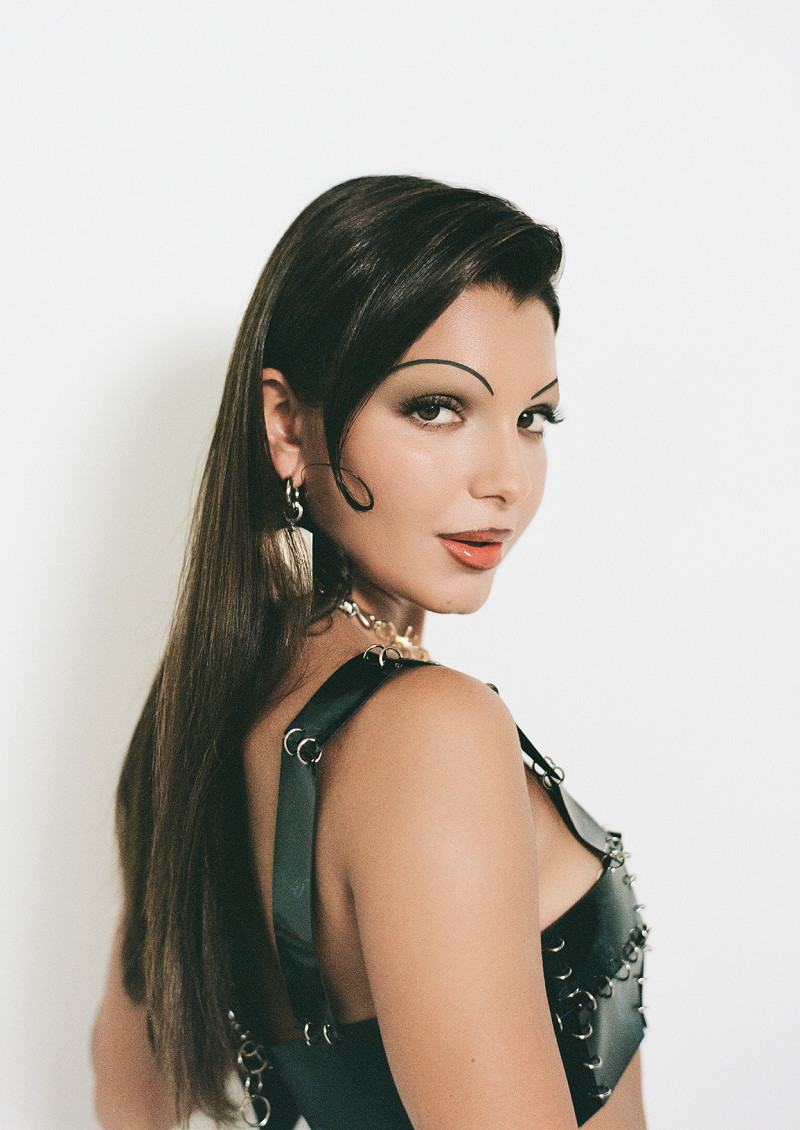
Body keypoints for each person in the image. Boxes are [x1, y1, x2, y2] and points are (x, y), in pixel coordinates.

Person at [91, 175, 648, 1130]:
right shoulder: (433, 729)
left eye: (532, 418)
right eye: (436, 407)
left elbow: (127, 1090)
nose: (506, 479)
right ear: (286, 424)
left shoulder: (209, 702)